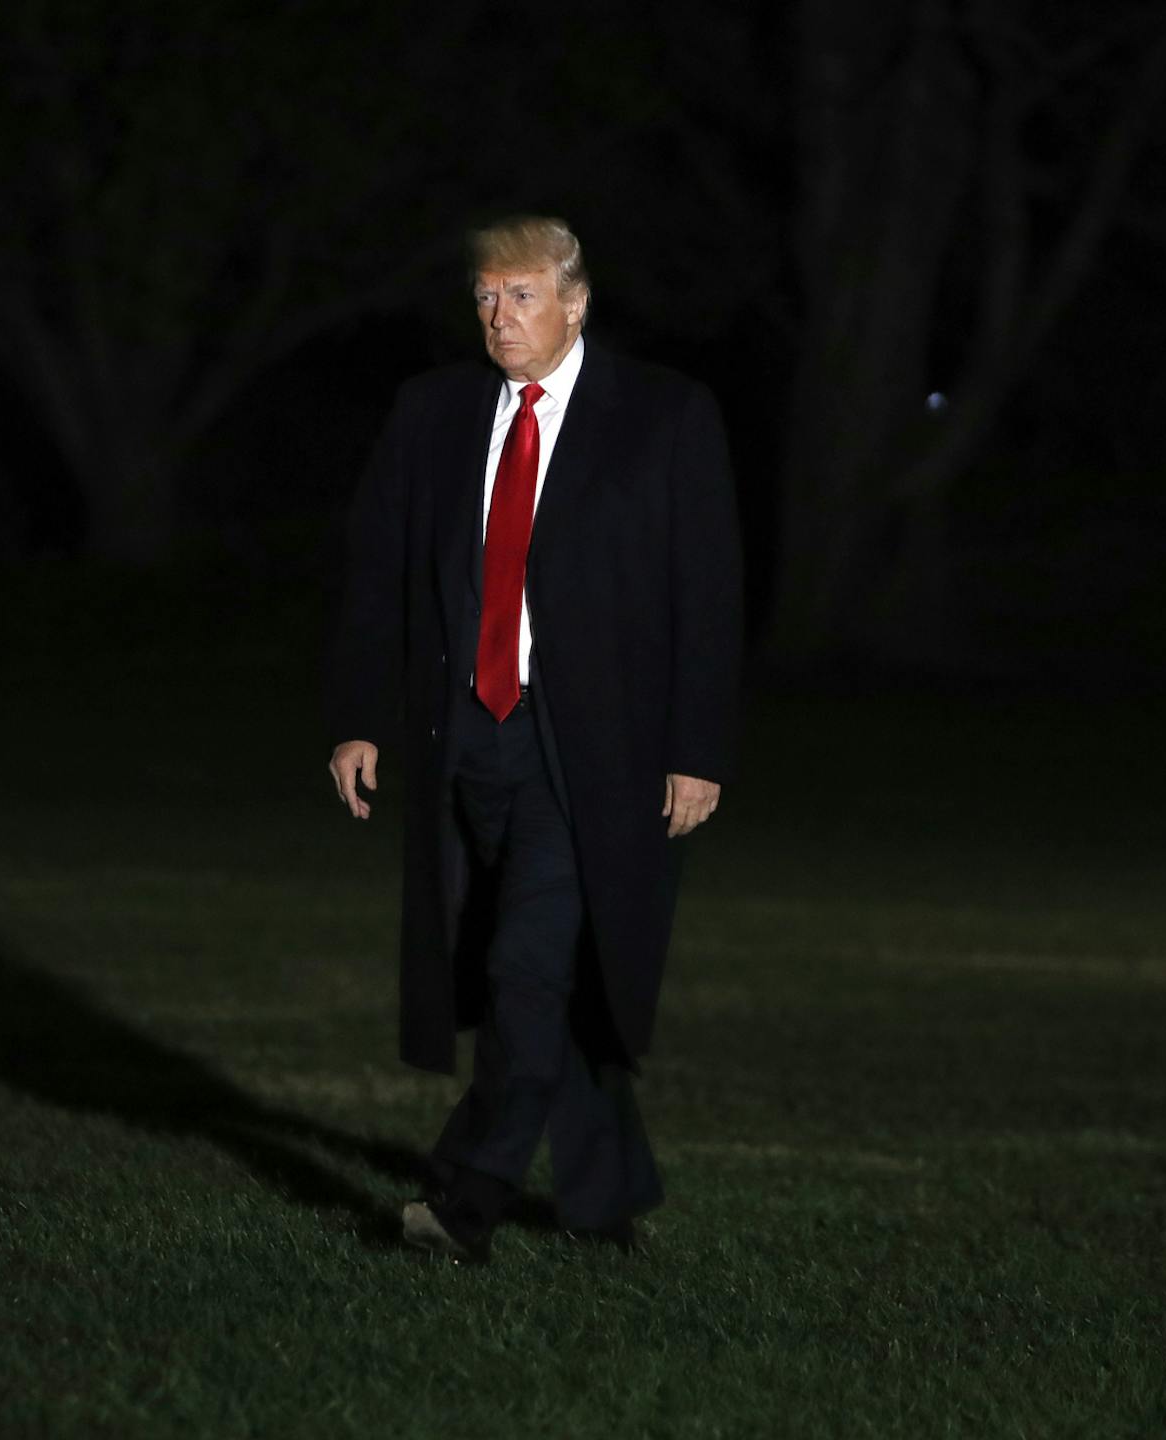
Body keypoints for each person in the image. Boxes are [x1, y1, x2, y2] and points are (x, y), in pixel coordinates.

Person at [325, 215, 744, 1262]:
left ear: (576, 301)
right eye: (483, 297)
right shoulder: (434, 411)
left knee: (526, 969)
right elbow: (380, 574)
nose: (498, 318)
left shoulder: (664, 415)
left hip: (594, 752)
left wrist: (698, 747)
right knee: (553, 980)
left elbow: (710, 594)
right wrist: (359, 722)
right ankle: (608, 1200)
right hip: (465, 734)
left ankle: (462, 1199)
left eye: (520, 296)